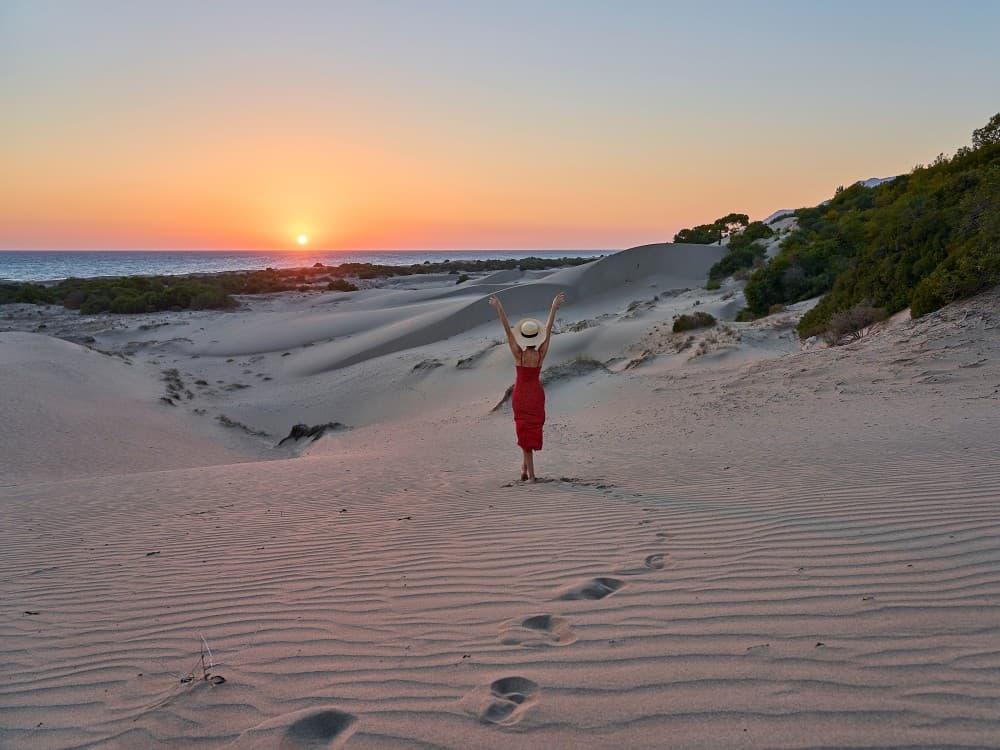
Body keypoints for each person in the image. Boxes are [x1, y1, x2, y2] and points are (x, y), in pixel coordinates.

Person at [488, 292, 565, 481]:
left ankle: (531, 477)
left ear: (523, 336)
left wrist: (500, 308)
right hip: (536, 394)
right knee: (530, 431)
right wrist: (553, 308)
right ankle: (524, 471)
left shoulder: (518, 354)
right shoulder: (540, 355)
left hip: (521, 395)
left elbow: (507, 331)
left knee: (524, 431)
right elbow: (548, 329)